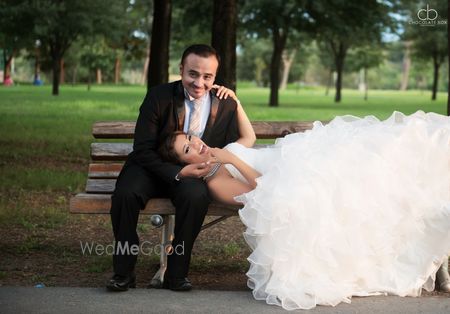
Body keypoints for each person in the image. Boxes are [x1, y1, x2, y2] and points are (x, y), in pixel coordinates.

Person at [159, 110, 450, 310]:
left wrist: (235, 101)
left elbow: (247, 139)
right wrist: (230, 161)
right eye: (187, 148)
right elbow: (263, 189)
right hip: (289, 179)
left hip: (293, 158)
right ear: (186, 164)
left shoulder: (220, 153)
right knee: (361, 179)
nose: (196, 143)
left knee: (381, 147)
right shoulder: (216, 181)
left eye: (190, 137)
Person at [107, 44, 249, 292]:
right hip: (149, 167)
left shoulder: (225, 104)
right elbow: (142, 149)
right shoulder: (158, 96)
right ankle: (123, 272)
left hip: (193, 173)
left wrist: (236, 100)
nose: (199, 82)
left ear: (215, 76)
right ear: (181, 69)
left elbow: (238, 144)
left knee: (196, 196)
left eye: (207, 77)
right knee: (125, 194)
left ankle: (176, 274)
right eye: (192, 74)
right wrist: (176, 173)